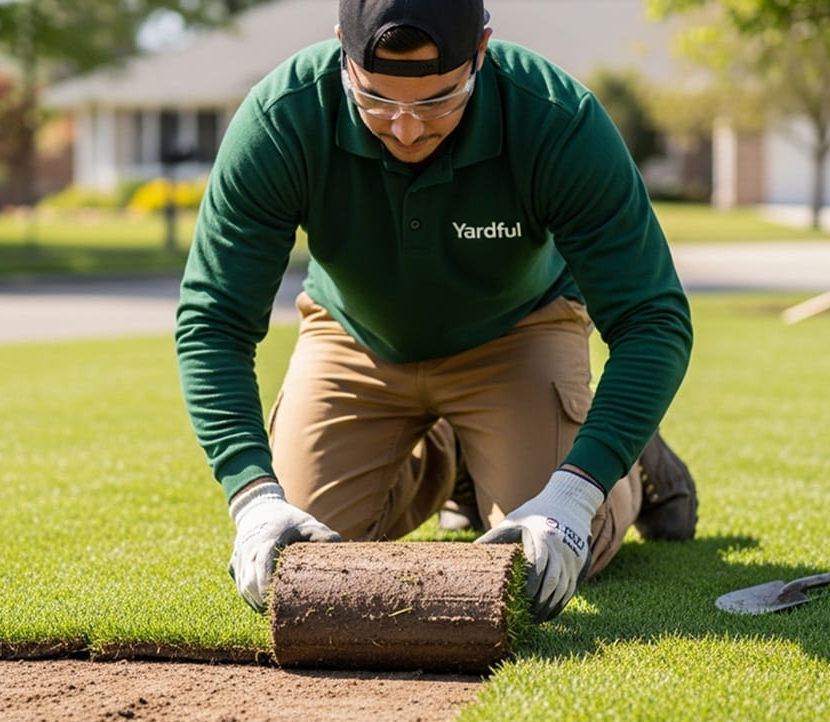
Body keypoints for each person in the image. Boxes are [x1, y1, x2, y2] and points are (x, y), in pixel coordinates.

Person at [176, 0, 697, 623]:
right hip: (355, 337)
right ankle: (461, 458)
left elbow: (652, 319)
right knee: (301, 553)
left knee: (546, 554)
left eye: (437, 102)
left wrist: (576, 492)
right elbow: (213, 320)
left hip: (518, 330)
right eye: (374, 100)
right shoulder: (282, 117)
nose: (405, 129)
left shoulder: (557, 119)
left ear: (481, 51)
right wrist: (252, 497)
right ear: (342, 47)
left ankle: (623, 459)